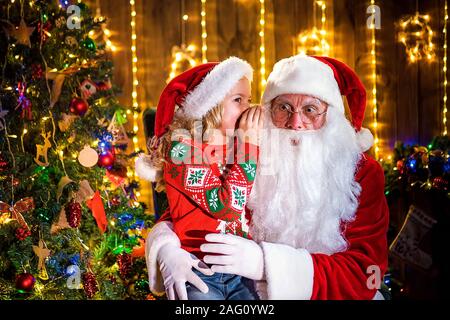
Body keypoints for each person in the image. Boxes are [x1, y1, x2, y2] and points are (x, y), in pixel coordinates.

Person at [143, 55, 389, 300]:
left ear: (331, 116)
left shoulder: (361, 173)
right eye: (284, 108)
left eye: (310, 110)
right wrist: (166, 247)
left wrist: (266, 264)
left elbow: (366, 271)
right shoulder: (251, 155)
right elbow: (190, 207)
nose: (296, 123)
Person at [136, 56, 263, 300]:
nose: (247, 108)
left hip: (242, 272)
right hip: (200, 271)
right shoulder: (180, 149)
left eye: (249, 99)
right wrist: (249, 146)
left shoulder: (237, 147)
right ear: (211, 105)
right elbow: (225, 207)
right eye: (238, 100)